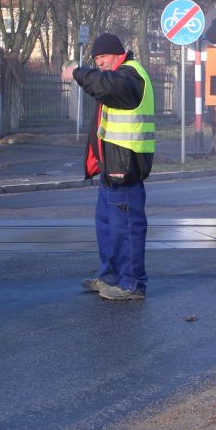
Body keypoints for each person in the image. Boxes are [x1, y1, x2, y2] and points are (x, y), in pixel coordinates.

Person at [72, 33, 155, 300]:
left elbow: (106, 86)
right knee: (107, 228)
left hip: (126, 166)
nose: (100, 63)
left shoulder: (130, 75)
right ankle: (110, 277)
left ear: (118, 53)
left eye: (103, 57)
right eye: (96, 60)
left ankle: (132, 284)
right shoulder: (119, 75)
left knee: (127, 228)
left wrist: (78, 72)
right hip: (112, 168)